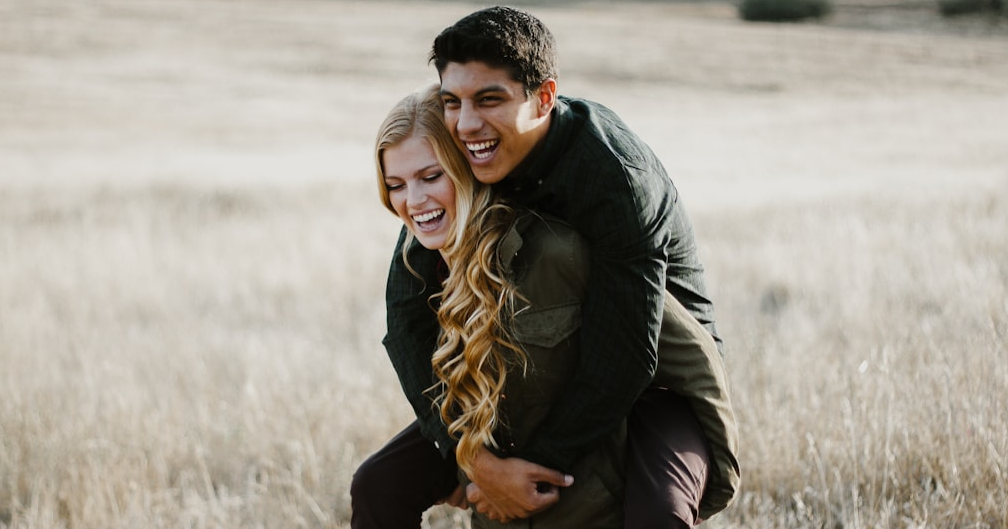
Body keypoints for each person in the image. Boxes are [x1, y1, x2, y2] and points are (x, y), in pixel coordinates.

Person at [356, 84, 736, 529]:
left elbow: (672, 354)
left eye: (431, 176)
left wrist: (529, 469)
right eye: (395, 185)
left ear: (465, 167)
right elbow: (407, 337)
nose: (413, 200)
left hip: (622, 397)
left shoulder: (559, 245)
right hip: (499, 410)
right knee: (375, 485)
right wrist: (471, 462)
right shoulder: (420, 251)